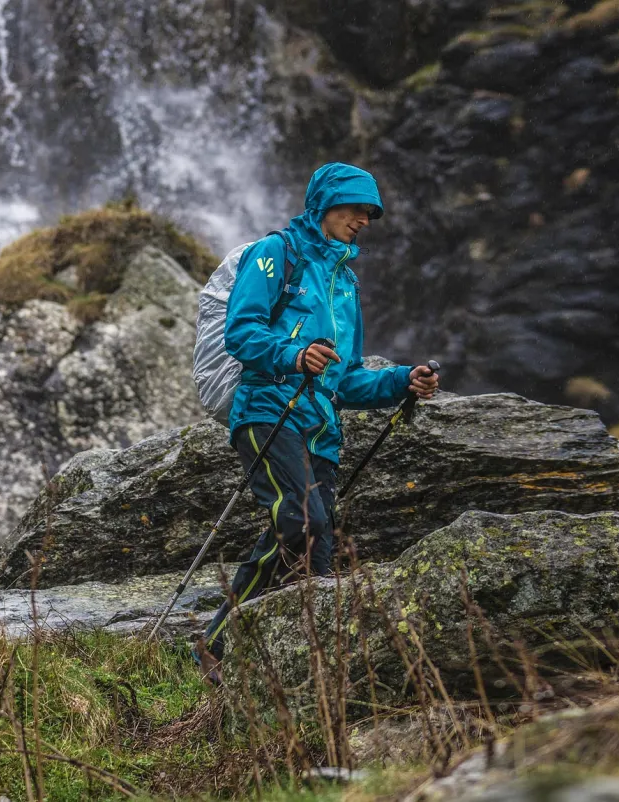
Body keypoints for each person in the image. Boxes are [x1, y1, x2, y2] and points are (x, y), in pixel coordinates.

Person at [195, 163, 440, 683]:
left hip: (321, 430)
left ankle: (266, 666)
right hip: (268, 410)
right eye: (356, 209)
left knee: (316, 554)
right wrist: (293, 355)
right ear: (325, 203)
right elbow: (242, 332)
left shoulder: (345, 283)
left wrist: (403, 380)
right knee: (301, 523)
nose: (364, 220)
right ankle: (219, 647)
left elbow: (347, 380)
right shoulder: (275, 253)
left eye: (370, 213)